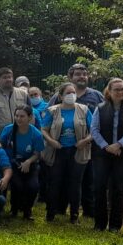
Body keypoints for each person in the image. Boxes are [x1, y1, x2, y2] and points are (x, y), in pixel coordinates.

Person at [90, 78, 123, 232]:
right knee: (99, 187)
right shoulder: (100, 108)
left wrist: (119, 144)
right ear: (109, 91)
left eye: (122, 89)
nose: (120, 92)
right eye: (116, 89)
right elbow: (94, 129)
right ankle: (99, 224)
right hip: (102, 153)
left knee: (118, 188)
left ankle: (115, 225)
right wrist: (107, 146)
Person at [41, 82, 93, 224]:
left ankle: (74, 215)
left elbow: (94, 130)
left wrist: (85, 141)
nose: (71, 95)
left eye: (73, 93)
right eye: (68, 93)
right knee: (54, 182)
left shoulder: (84, 109)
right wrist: (51, 141)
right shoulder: (52, 110)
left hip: (78, 151)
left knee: (75, 183)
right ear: (61, 96)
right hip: (57, 151)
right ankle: (50, 214)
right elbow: (43, 129)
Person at [0, 105, 44, 220]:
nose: (19, 119)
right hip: (12, 161)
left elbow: (38, 154)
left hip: (30, 162)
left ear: (30, 117)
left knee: (33, 186)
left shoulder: (36, 134)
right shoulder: (8, 129)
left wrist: (28, 162)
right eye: (17, 116)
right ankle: (14, 209)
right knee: (16, 184)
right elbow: (1, 144)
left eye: (22, 116)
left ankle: (27, 211)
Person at [0, 67, 31, 140]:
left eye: (10, 77)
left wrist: (30, 133)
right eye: (5, 77)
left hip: (21, 137)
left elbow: (31, 115)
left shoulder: (23, 94)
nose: (8, 80)